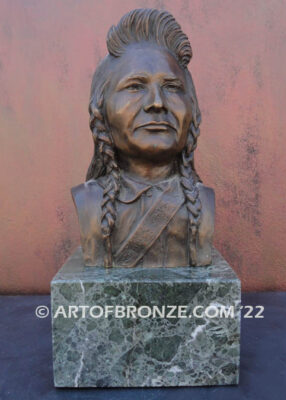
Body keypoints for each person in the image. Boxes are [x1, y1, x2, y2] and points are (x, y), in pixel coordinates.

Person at [72, 8, 215, 268]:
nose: (157, 103)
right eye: (135, 86)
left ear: (192, 110)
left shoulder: (202, 202)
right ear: (101, 111)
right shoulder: (88, 201)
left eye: (172, 87)